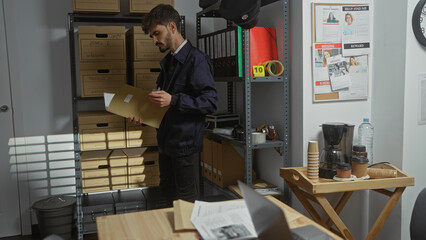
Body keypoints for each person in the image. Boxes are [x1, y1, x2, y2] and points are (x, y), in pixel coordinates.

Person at [130, 4, 218, 205]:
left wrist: (174, 99)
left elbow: (210, 102)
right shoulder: (168, 63)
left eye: (156, 33)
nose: (154, 40)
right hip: (166, 146)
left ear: (172, 27)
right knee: (168, 200)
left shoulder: (197, 60)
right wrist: (143, 118)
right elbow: (162, 107)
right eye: (151, 36)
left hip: (185, 148)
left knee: (186, 206)